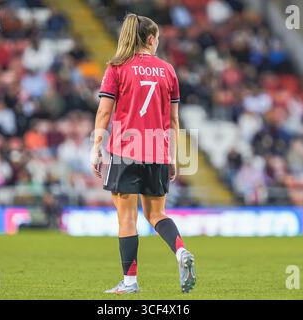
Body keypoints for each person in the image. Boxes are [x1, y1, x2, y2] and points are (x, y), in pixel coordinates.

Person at [90, 14, 196, 294]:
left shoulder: (117, 68)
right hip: (157, 152)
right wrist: (172, 157)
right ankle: (181, 250)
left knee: (127, 218)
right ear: (150, 40)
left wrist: (96, 146)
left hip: (125, 151)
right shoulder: (168, 70)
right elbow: (173, 121)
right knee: (157, 214)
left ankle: (130, 282)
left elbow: (104, 111)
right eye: (157, 39)